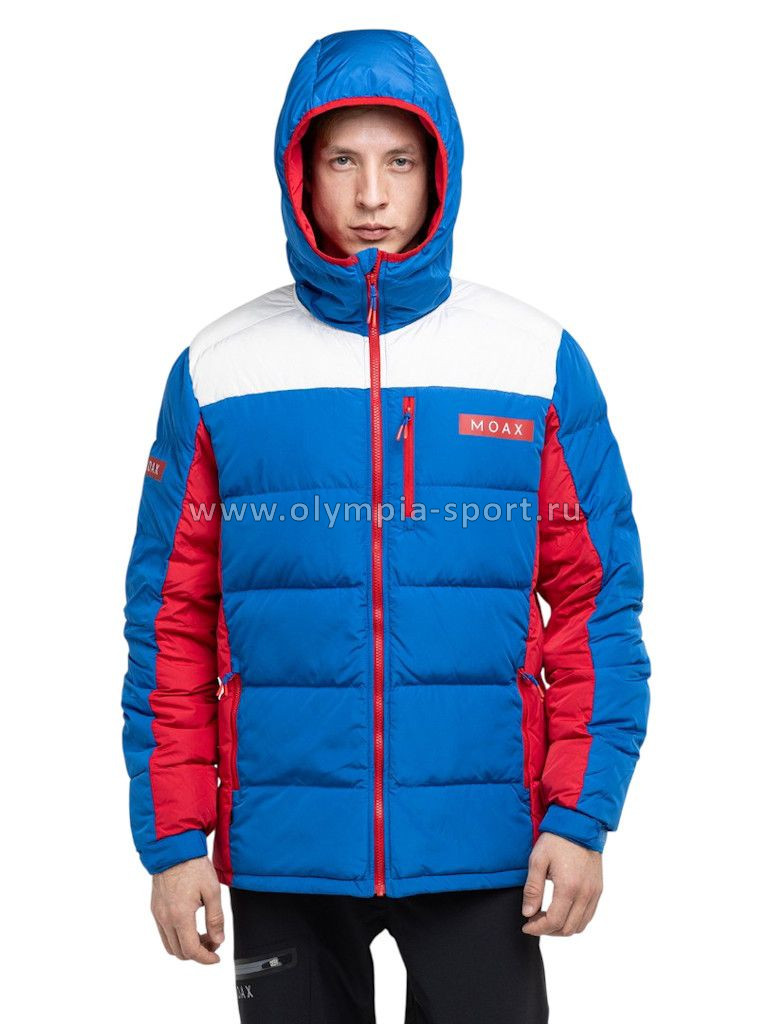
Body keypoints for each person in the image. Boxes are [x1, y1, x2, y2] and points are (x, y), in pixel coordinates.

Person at [121, 28, 651, 1024]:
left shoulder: (531, 360)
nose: (372, 195)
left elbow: (597, 601)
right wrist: (174, 839)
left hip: (484, 843)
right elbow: (170, 619)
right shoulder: (220, 369)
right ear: (300, 173)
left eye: (399, 161)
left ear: (438, 171)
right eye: (343, 161)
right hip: (284, 849)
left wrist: (583, 813)